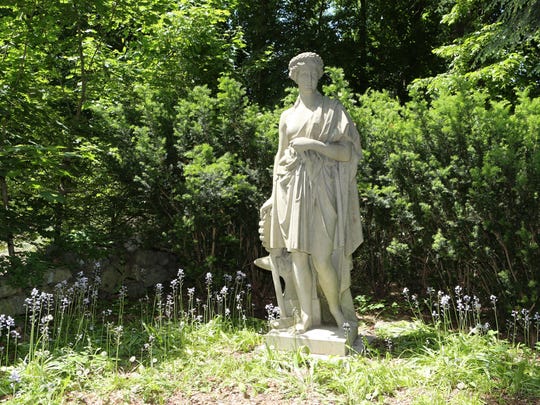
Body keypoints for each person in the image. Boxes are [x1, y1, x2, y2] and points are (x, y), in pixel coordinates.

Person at [264, 52, 363, 333]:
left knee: (322, 257)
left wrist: (314, 145)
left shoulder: (333, 110)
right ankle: (307, 316)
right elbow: (280, 157)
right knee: (298, 256)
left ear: (319, 75)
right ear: (294, 77)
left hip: (323, 190)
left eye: (312, 73)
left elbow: (347, 153)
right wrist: (273, 196)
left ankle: (335, 309)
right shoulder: (287, 116)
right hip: (292, 190)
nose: (307, 78)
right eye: (302, 74)